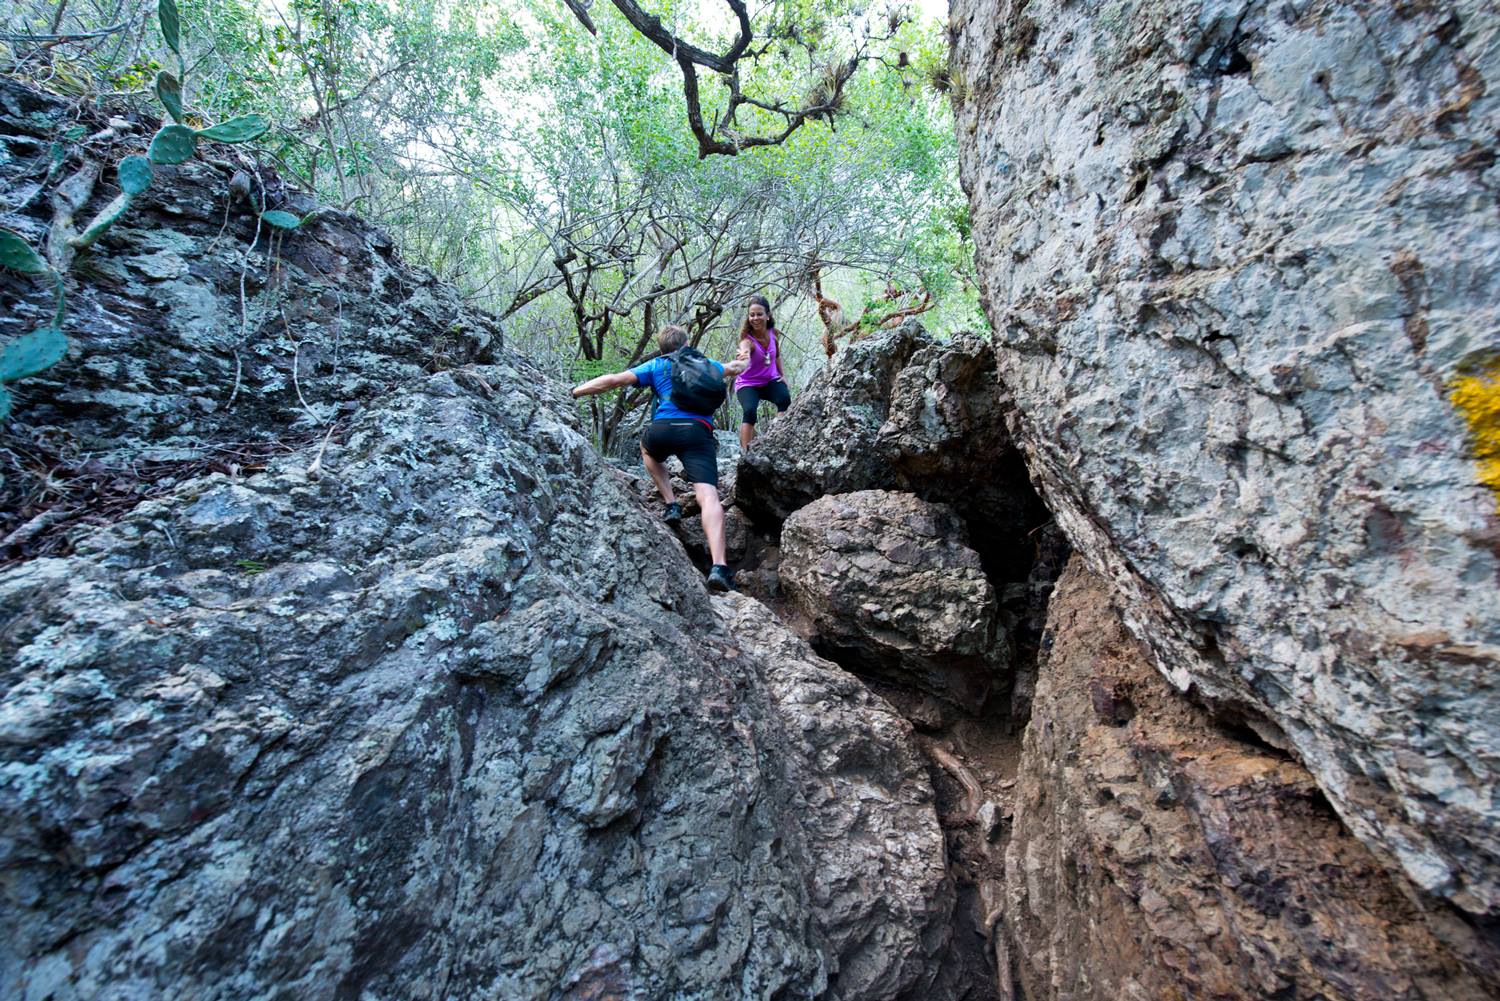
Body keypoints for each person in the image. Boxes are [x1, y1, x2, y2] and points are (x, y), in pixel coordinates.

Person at [571, 325, 747, 592]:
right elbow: (734, 368)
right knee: (708, 495)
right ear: (686, 344)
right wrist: (745, 357)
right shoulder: (705, 363)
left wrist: (575, 391)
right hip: (698, 432)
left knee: (647, 450)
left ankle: (671, 503)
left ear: (662, 348)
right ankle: (720, 567)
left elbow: (614, 380)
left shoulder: (655, 365)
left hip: (663, 429)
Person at [733, 295, 793, 450]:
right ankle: (746, 454)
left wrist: (782, 375)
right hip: (748, 384)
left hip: (769, 380)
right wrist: (743, 356)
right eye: (752, 315)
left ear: (768, 316)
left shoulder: (773, 333)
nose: (755, 318)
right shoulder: (747, 341)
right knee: (750, 412)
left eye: (759, 314)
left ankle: (778, 440)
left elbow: (777, 355)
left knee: (784, 399)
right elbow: (744, 350)